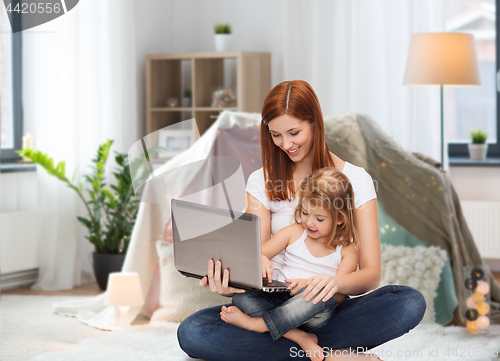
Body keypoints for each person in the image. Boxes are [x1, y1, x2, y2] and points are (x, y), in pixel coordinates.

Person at [177, 80, 426, 361]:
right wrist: (228, 283)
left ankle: (287, 344)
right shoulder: (261, 181)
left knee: (407, 302)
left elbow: (370, 274)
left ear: (315, 123)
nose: (287, 144)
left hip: (324, 304)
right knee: (192, 331)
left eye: (294, 132)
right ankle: (327, 353)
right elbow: (258, 263)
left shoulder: (357, 180)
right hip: (272, 301)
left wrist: (333, 284)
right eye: (276, 135)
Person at [220, 168, 360, 361]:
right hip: (281, 301)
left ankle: (258, 325)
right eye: (304, 213)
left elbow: (338, 297)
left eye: (319, 219)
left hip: (313, 311)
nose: (309, 223)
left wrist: (309, 285)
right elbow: (256, 254)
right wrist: (262, 260)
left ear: (340, 219)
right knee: (241, 297)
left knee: (323, 295)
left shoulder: (347, 251)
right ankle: (297, 336)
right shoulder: (293, 233)